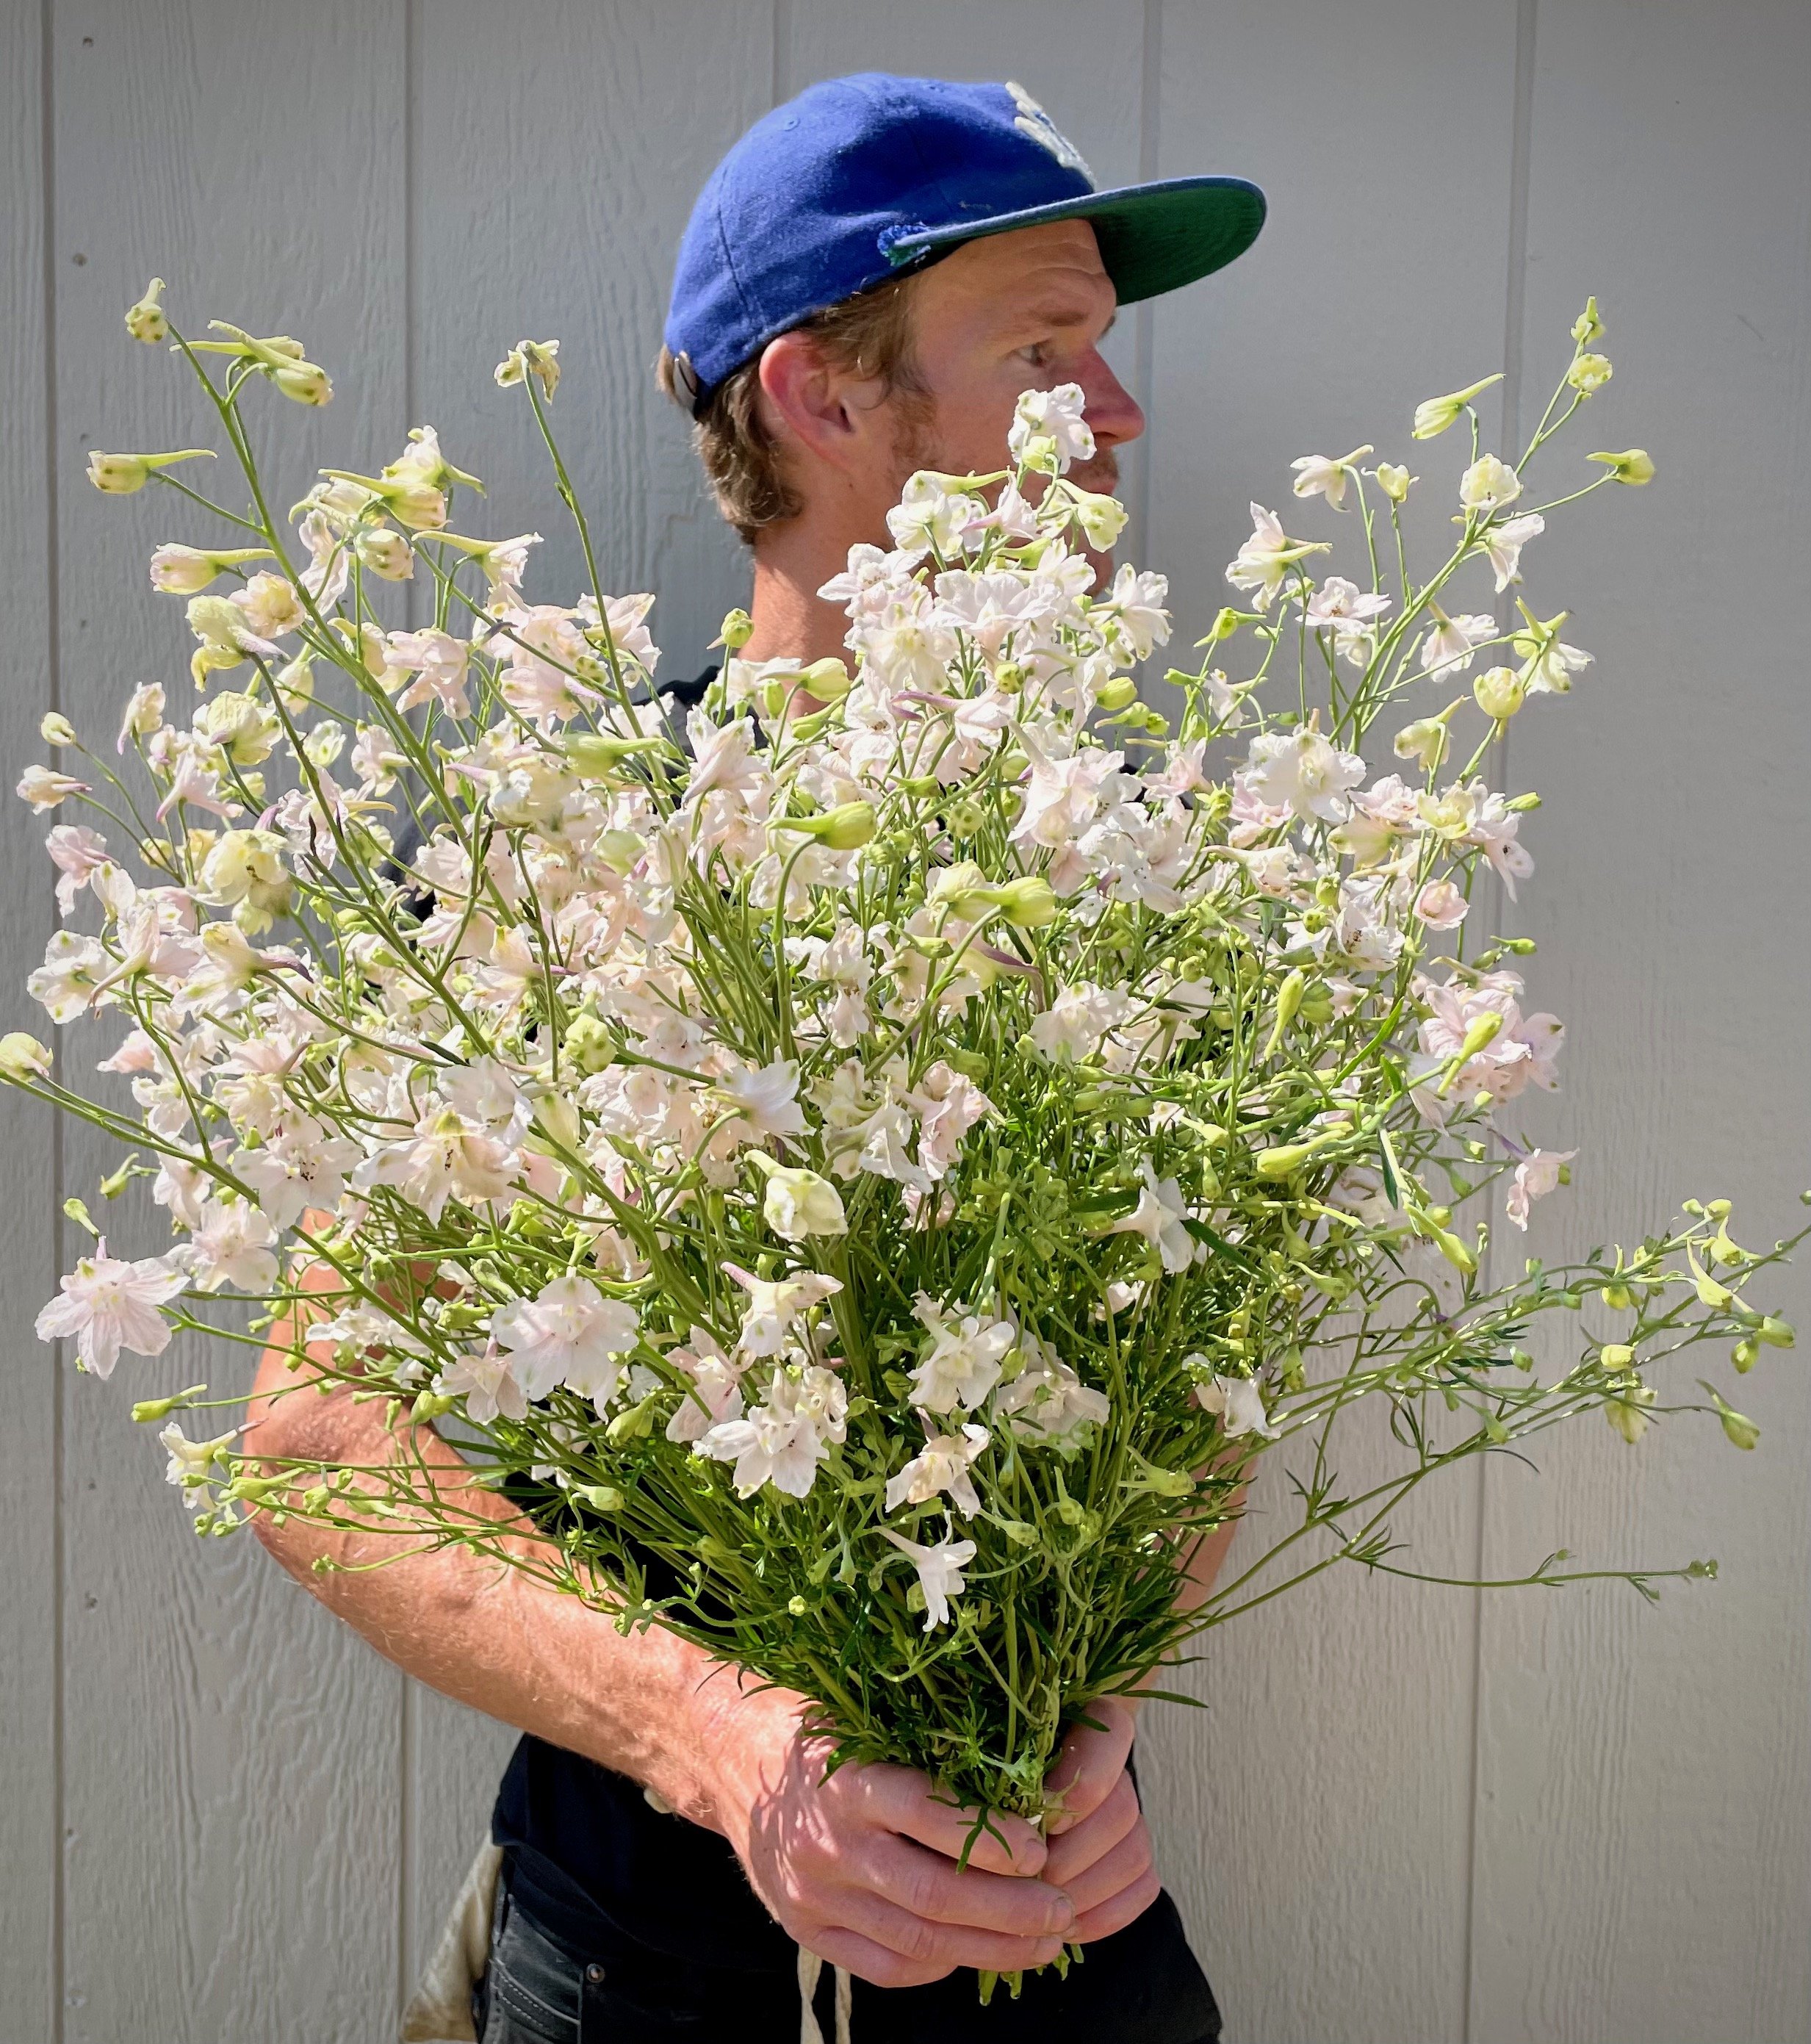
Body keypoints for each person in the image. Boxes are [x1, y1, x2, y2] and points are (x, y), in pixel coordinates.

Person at [251, 72, 1264, 2044]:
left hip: (1060, 1935)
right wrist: (726, 1743)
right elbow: (318, 1445)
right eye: (1044, 351)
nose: (1118, 410)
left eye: (1104, 352)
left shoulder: (1148, 857)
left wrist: (1103, 1696)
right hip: (639, 1956)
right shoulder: (553, 850)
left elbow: (1198, 1391)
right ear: (820, 394)